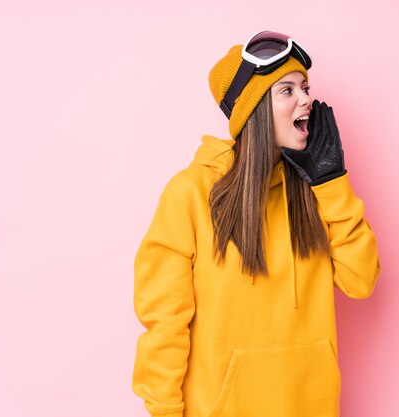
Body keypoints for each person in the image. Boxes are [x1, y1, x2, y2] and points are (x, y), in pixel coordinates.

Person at [132, 30, 381, 417]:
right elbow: (165, 323)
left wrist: (331, 183)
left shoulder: (314, 193)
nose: (306, 99)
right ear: (254, 110)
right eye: (287, 90)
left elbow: (361, 280)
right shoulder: (190, 194)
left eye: (305, 87)